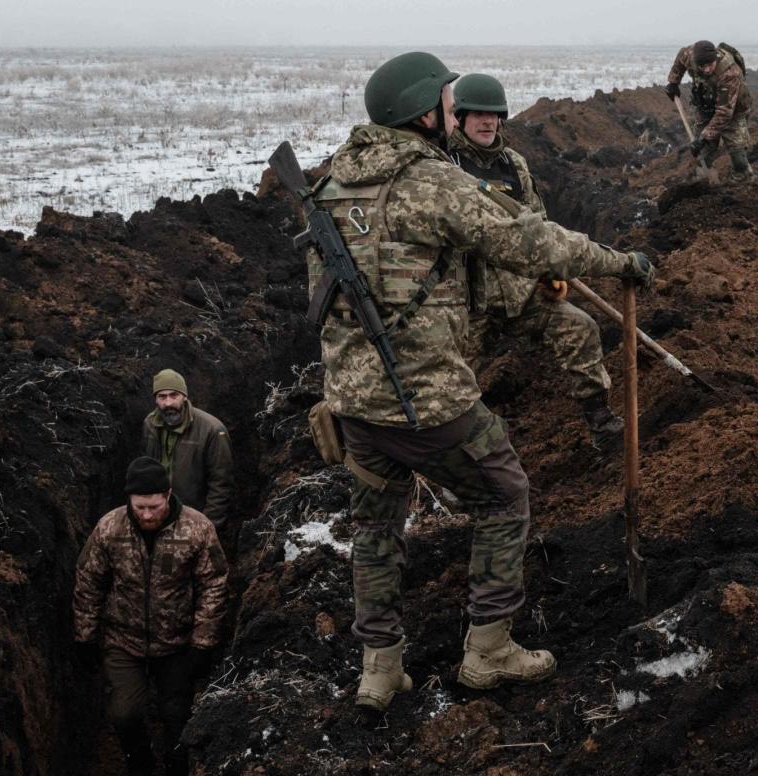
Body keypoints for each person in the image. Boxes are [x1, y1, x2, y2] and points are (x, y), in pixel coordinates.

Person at [309, 51, 654, 711]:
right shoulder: (430, 183)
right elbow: (535, 244)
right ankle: (489, 649)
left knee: (375, 528)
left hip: (352, 404)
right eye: (446, 100)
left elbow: (323, 304)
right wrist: (617, 262)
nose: (454, 109)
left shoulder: (331, 186)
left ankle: (379, 669)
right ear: (422, 111)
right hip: (426, 401)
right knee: (503, 497)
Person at [448, 72, 624, 449]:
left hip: (522, 293)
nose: (487, 122)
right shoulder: (444, 167)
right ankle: (452, 460)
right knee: (453, 384)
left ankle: (600, 421)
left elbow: (539, 225)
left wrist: (550, 274)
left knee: (582, 330)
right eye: (477, 114)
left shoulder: (514, 164)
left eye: (494, 114)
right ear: (460, 117)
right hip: (469, 304)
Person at [73, 456, 229, 776]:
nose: (146, 514)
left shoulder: (197, 529)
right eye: (139, 507)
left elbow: (214, 584)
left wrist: (203, 643)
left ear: (168, 495)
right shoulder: (109, 529)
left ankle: (176, 767)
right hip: (123, 640)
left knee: (177, 716)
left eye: (154, 507)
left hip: (177, 641)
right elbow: (88, 582)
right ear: (129, 499)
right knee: (124, 714)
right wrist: (85, 636)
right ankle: (139, 762)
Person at [142, 369, 233, 534]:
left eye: (173, 395)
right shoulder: (150, 425)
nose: (168, 403)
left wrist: (208, 527)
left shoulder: (212, 430)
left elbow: (221, 485)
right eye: (162, 396)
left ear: (184, 396)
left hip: (194, 518)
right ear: (156, 399)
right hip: (158, 516)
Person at [666, 40, 755, 182]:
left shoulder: (729, 73)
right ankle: (703, 182)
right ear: (696, 63)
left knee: (739, 157)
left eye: (710, 65)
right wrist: (673, 81)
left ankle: (742, 184)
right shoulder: (690, 56)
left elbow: (725, 113)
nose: (707, 69)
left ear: (715, 59)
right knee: (703, 153)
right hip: (706, 106)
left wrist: (704, 137)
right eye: (703, 66)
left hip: (732, 110)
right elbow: (680, 58)